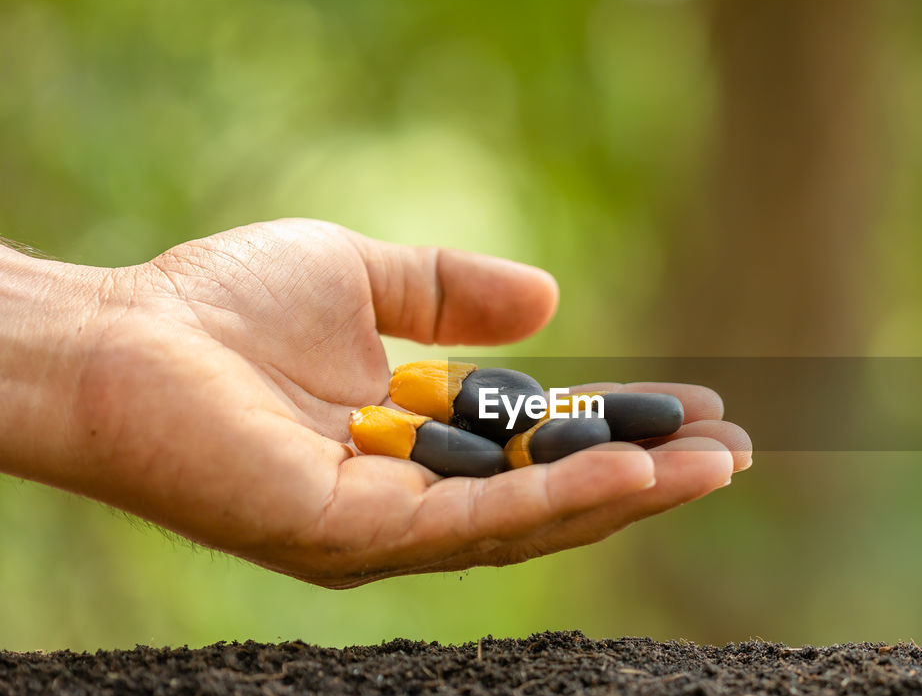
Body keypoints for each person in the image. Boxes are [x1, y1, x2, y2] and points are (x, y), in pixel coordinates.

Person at [0, 219, 751, 587]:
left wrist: (89, 341)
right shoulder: (410, 408)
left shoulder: (434, 408)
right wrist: (92, 341)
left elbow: (501, 432)